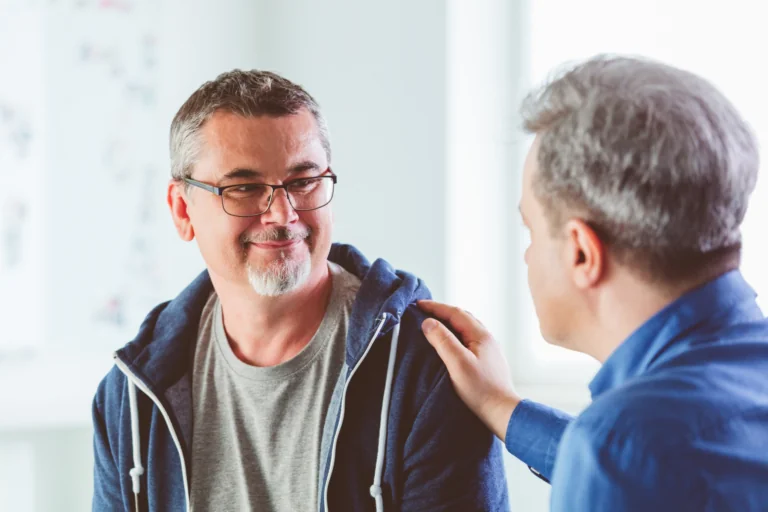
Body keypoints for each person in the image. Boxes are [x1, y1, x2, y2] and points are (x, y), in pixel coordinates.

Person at [91, 70, 509, 512]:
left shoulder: (426, 369)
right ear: (182, 211)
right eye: (245, 188)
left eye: (302, 181)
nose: (282, 214)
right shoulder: (131, 397)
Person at [419, 55, 768, 511]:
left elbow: (633, 458)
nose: (527, 254)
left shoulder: (624, 447)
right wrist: (500, 405)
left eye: (532, 231)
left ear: (582, 252)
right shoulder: (650, 444)